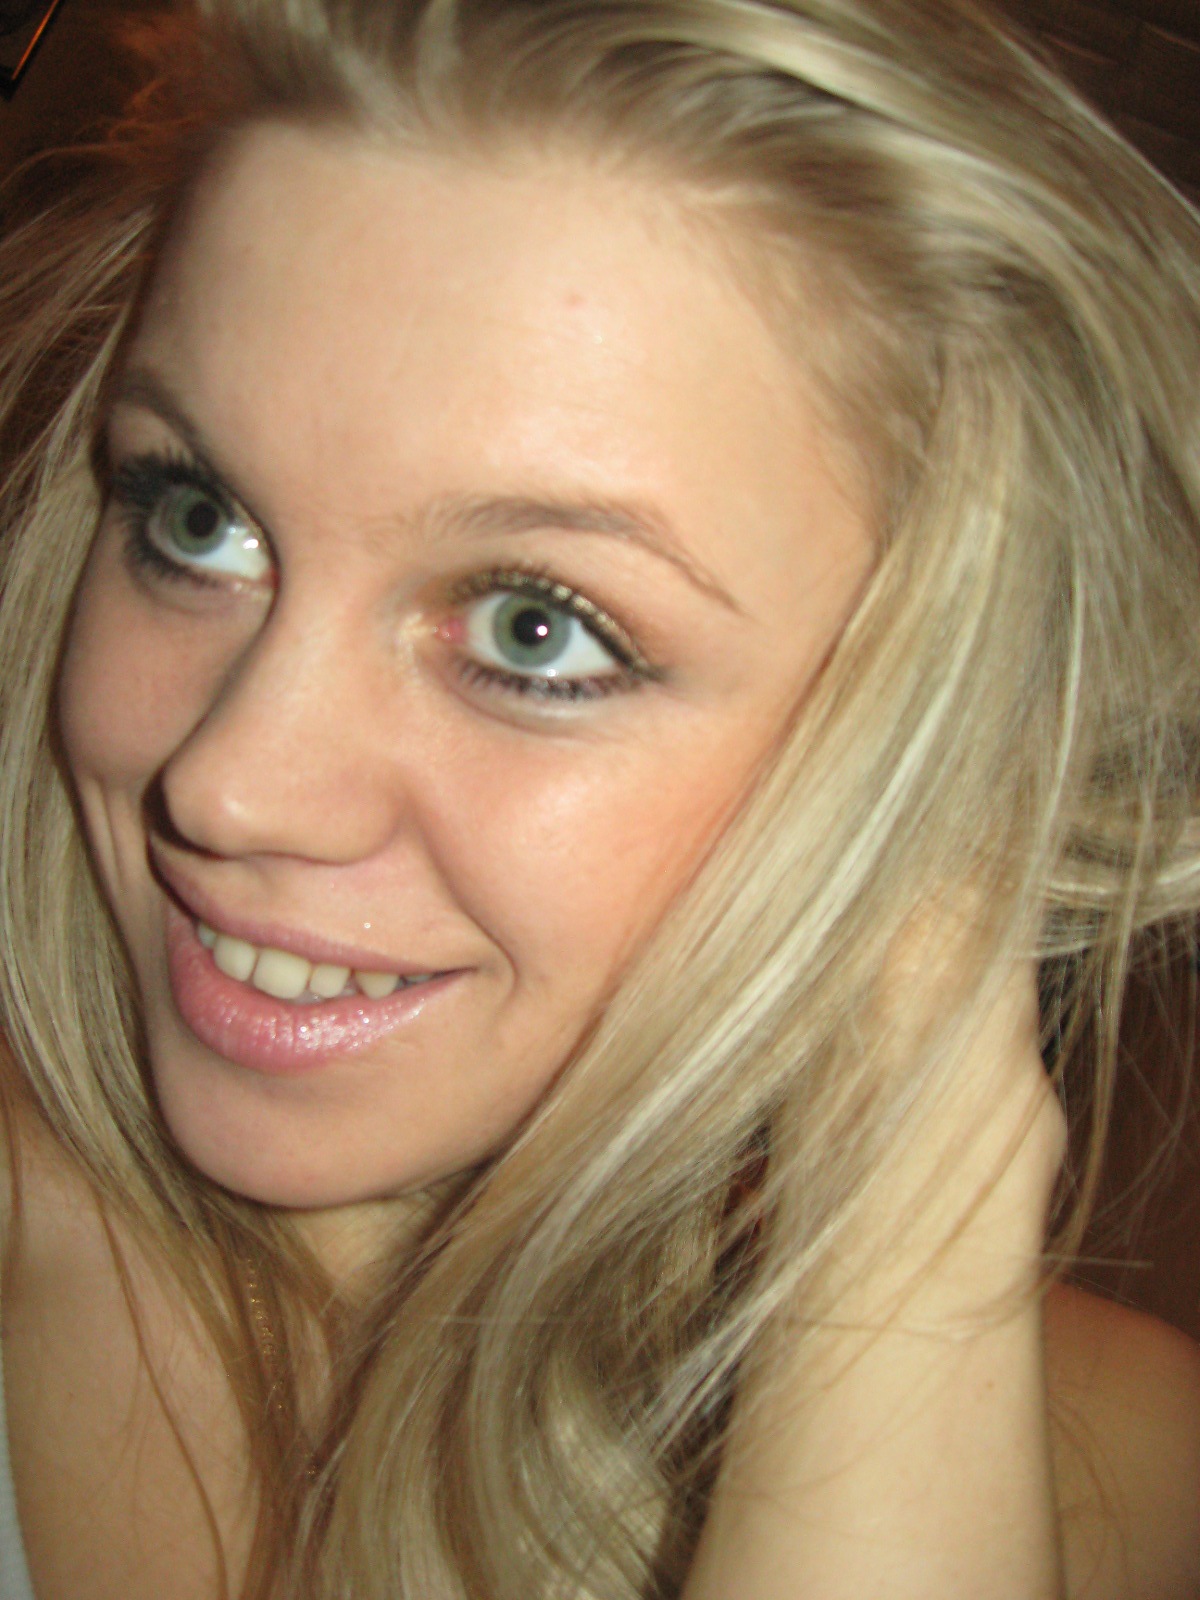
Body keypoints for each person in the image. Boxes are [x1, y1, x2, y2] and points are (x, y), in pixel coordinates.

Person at [0, 0, 1198, 1595]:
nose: (229, 786)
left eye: (535, 628)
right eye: (198, 519)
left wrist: (911, 1182)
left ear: (921, 754)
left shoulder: (1127, 1479)